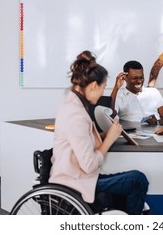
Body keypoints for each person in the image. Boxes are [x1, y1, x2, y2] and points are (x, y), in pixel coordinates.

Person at [49, 51, 149, 215]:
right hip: (75, 180)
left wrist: (107, 135)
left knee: (134, 180)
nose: (103, 94)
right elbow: (88, 166)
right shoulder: (75, 114)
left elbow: (80, 140)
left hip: (77, 175)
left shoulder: (73, 105)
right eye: (103, 88)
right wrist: (108, 139)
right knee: (138, 180)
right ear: (94, 86)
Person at [111, 60, 163, 126]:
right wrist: (116, 88)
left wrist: (157, 122)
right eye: (135, 78)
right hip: (133, 134)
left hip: (157, 133)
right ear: (125, 78)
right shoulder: (119, 98)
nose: (139, 81)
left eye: (141, 77)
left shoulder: (153, 92)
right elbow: (111, 116)